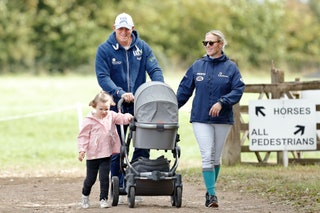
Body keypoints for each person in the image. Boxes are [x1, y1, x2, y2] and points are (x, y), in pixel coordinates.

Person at [95, 12, 164, 193]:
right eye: (120, 29)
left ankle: (136, 178)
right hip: (115, 103)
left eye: (127, 29)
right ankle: (117, 182)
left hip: (140, 104)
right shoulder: (104, 50)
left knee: (143, 142)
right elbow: (103, 77)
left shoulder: (142, 48)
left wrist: (158, 88)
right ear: (114, 29)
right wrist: (119, 92)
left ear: (132, 29)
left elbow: (155, 69)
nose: (124, 32)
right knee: (116, 145)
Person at [176, 30, 245, 208]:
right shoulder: (197, 66)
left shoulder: (231, 68)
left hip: (223, 119)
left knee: (215, 157)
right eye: (205, 43)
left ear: (220, 44)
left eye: (211, 43)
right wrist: (170, 107)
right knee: (207, 155)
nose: (207, 46)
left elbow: (238, 90)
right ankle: (212, 195)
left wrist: (222, 102)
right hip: (200, 118)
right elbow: (184, 91)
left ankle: (209, 189)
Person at [77, 91, 133, 209]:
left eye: (106, 109)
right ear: (94, 106)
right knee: (90, 179)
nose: (104, 112)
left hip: (106, 153)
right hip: (93, 155)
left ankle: (103, 199)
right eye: (101, 109)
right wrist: (82, 150)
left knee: (104, 178)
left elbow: (121, 118)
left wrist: (129, 117)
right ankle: (85, 195)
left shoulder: (111, 115)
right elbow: (83, 136)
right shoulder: (89, 120)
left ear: (110, 106)